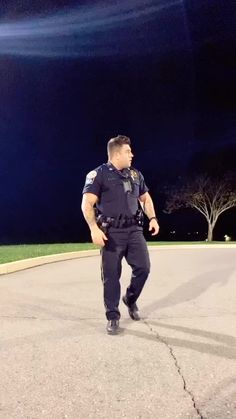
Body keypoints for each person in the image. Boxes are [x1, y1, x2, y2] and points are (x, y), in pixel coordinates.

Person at [81, 135, 159, 334]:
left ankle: (130, 299)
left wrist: (153, 218)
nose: (132, 154)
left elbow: (146, 199)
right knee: (111, 276)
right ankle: (113, 316)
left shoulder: (135, 175)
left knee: (144, 268)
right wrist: (93, 229)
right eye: (127, 151)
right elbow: (87, 204)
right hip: (111, 232)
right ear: (116, 154)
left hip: (134, 230)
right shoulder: (98, 174)